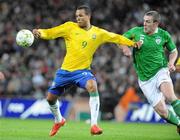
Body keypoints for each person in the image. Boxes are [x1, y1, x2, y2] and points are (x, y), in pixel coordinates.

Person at [33, 5, 140, 136]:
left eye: (81, 15)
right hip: (65, 71)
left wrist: (132, 43)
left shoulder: (98, 33)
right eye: (76, 16)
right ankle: (59, 120)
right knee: (50, 99)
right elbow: (51, 32)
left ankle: (94, 125)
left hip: (82, 72)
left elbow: (116, 37)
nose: (78, 18)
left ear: (89, 16)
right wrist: (40, 32)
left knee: (92, 85)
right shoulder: (69, 27)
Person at [122, 10, 180, 135]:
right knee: (162, 112)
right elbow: (121, 39)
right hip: (144, 79)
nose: (144, 24)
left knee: (170, 96)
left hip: (160, 70)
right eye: (144, 21)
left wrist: (171, 62)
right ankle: (179, 124)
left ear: (156, 24)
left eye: (148, 22)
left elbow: (174, 51)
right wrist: (125, 48)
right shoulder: (136, 32)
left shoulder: (164, 35)